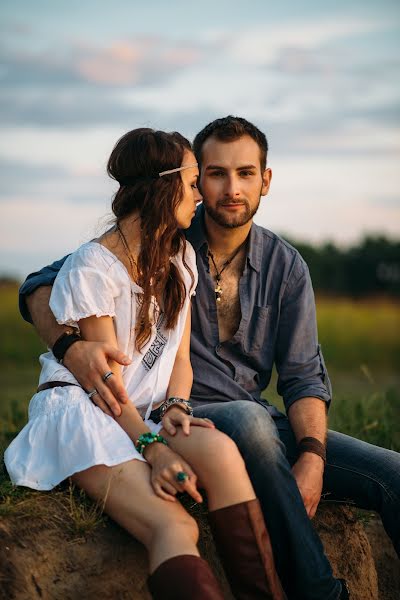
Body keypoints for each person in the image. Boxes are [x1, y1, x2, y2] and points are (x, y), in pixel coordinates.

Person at [17, 116, 400, 599]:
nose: (228, 189)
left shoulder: (284, 267)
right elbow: (41, 284)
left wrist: (313, 457)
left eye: (245, 173)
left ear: (266, 179)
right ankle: (320, 593)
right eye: (214, 174)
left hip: (240, 418)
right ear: (191, 177)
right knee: (248, 425)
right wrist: (69, 348)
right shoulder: (162, 233)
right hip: (179, 414)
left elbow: (303, 378)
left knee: (392, 474)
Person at [5, 127, 287, 600]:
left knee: (220, 454)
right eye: (194, 182)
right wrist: (154, 449)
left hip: (144, 415)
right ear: (164, 183)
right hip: (89, 415)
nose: (200, 196)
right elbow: (105, 387)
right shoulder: (93, 267)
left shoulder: (180, 256)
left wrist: (177, 404)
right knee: (175, 525)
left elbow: (178, 358)